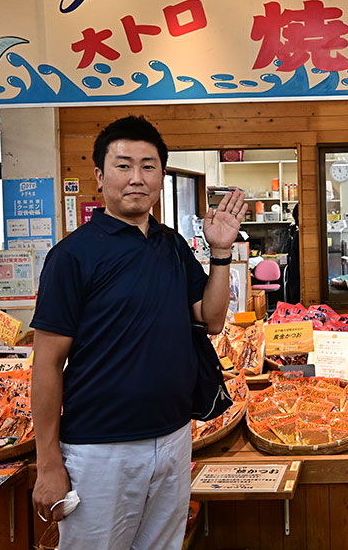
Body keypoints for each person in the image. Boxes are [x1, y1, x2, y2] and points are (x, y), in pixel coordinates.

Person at [30, 115, 246, 550]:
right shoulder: (72, 256)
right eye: (123, 165)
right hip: (99, 447)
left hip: (173, 436)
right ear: (100, 175)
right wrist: (49, 462)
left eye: (148, 166)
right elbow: (47, 364)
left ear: (161, 177)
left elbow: (212, 319)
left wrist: (221, 253)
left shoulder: (171, 245)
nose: (136, 178)